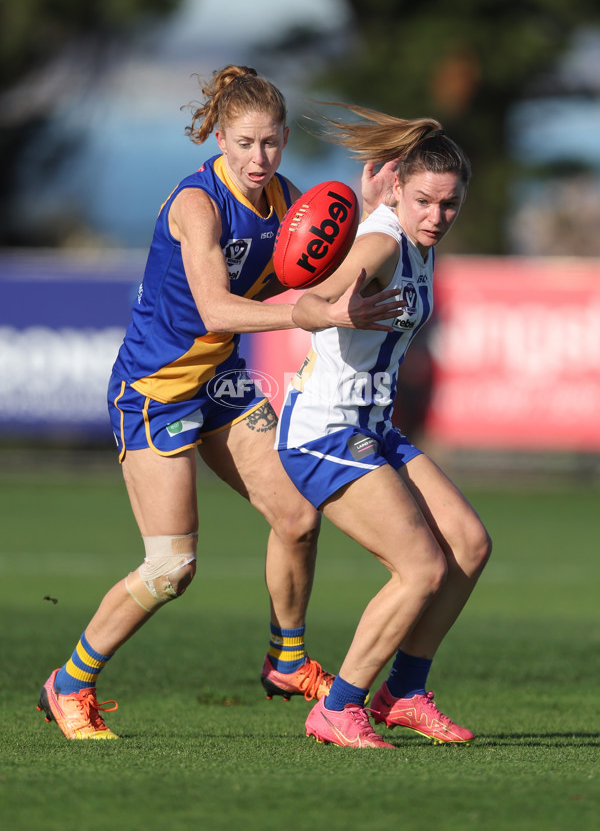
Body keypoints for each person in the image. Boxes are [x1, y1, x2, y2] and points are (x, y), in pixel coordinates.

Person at [36, 67, 404, 740]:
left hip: (221, 383)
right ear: (218, 137)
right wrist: (306, 316)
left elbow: (338, 274)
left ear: (286, 139)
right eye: (244, 143)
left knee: (296, 514)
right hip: (156, 391)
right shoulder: (197, 204)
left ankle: (287, 661)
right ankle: (69, 682)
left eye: (270, 143)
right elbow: (215, 307)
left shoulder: (289, 200)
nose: (258, 158)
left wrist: (374, 207)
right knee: (171, 568)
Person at [276, 104, 492, 749]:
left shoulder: (415, 239)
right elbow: (312, 301)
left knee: (469, 545)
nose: (436, 216)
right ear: (399, 189)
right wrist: (339, 308)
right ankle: (339, 707)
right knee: (421, 567)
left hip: (371, 424)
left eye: (449, 205)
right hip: (324, 429)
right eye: (424, 201)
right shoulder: (383, 241)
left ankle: (405, 692)